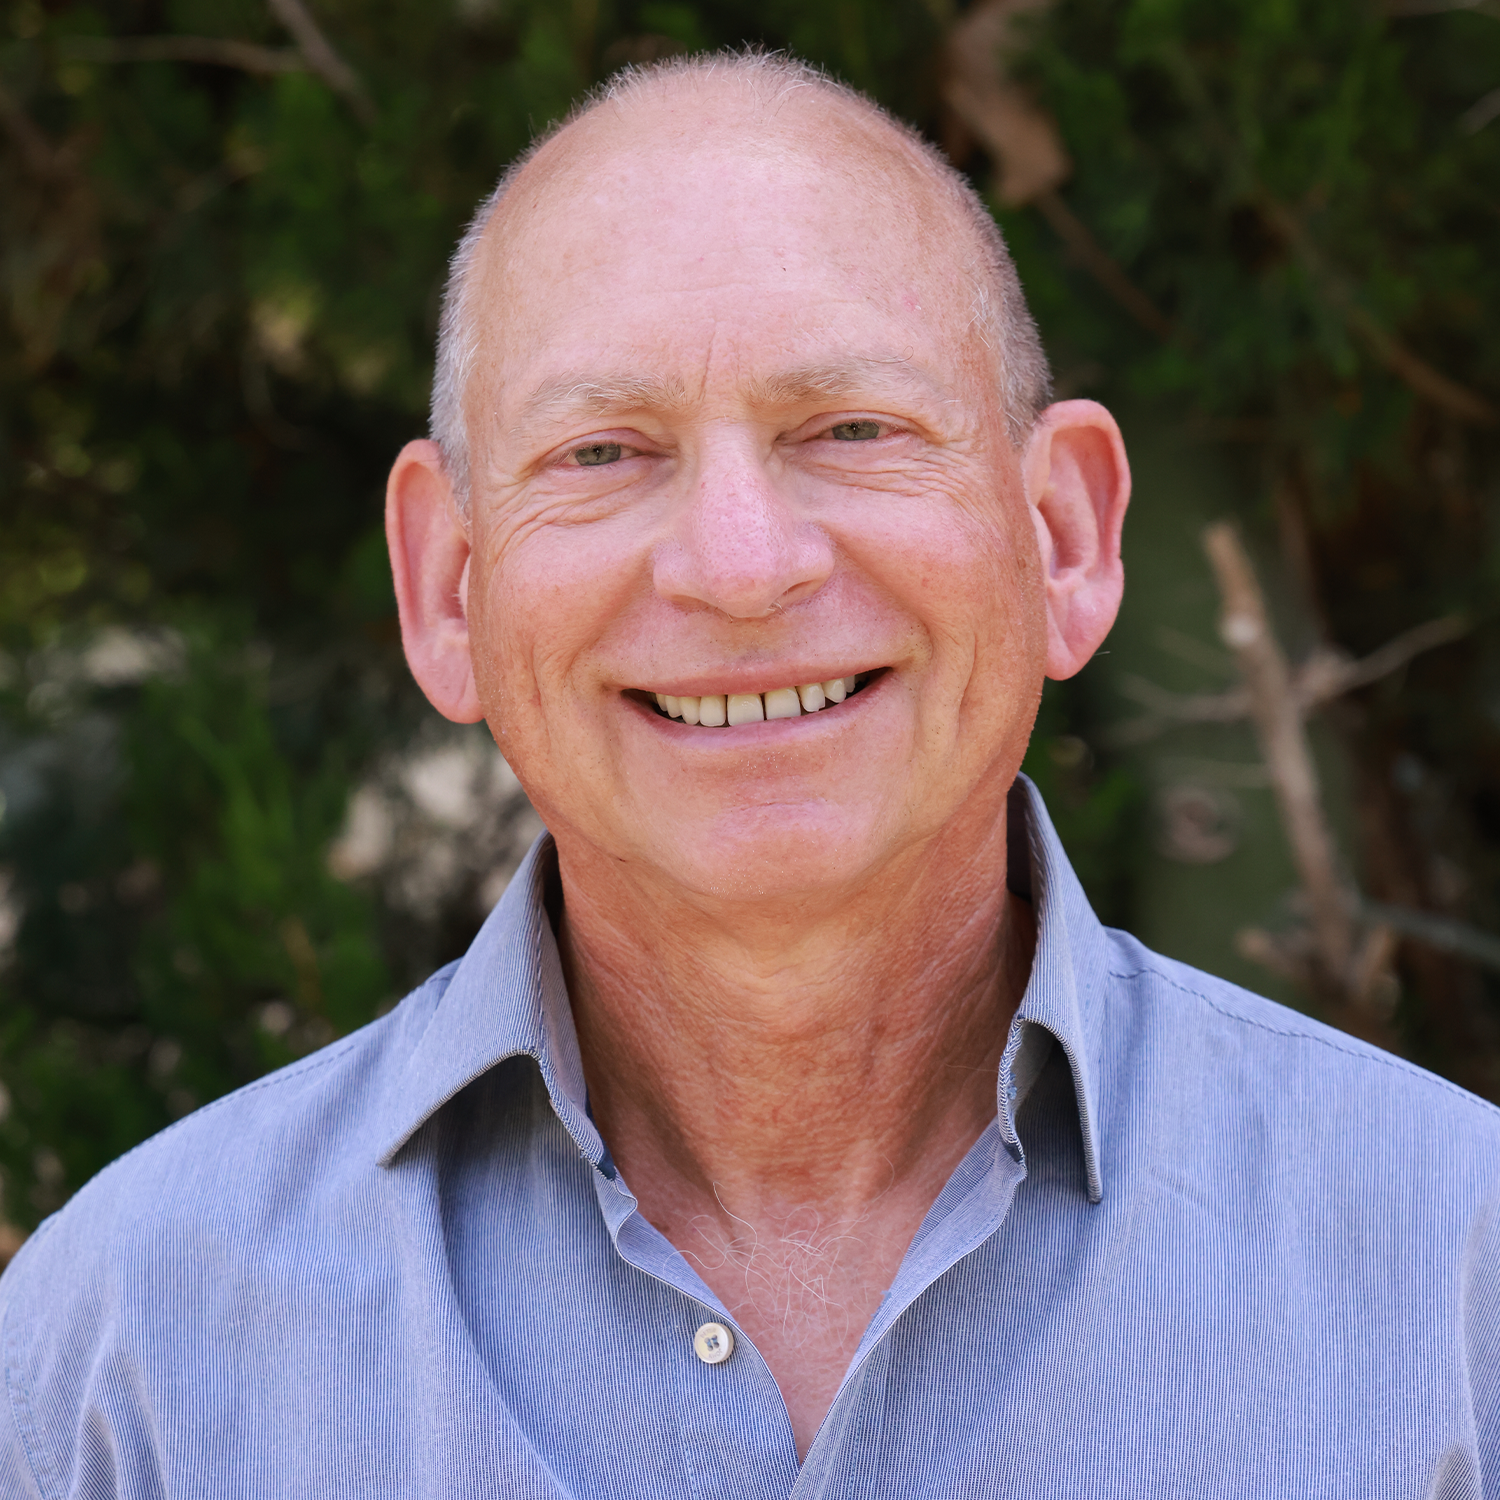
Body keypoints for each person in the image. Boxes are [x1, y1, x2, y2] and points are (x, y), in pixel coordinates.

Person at [3, 50, 1498, 1498]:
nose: (739, 565)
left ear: (1062, 539)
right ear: (449, 587)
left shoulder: (1456, 1282)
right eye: (603, 452)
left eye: (851, 429)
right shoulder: (127, 1356)